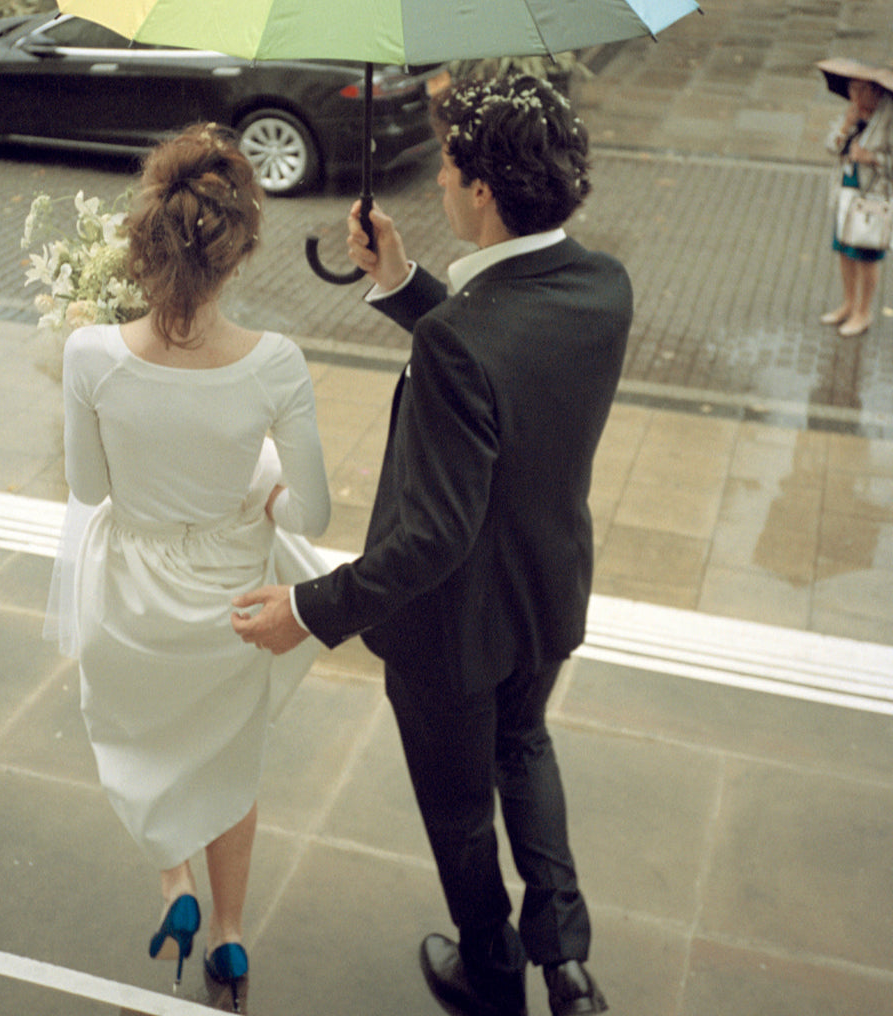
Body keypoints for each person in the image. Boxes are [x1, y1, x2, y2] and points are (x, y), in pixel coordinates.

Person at [232, 75, 632, 1016]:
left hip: (452, 633)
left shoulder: (460, 339)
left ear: (482, 192)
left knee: (459, 816)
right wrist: (402, 285)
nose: (441, 185)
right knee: (525, 749)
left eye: (450, 169)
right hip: (546, 594)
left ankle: (491, 976)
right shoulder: (601, 287)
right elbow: (510, 363)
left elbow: (434, 534)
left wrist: (308, 610)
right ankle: (567, 964)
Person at [48, 123, 330, 1006]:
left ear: (143, 241)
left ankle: (174, 890)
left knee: (142, 743)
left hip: (130, 602)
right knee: (224, 763)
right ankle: (230, 939)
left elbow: (90, 488)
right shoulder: (276, 364)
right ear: (238, 253)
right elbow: (313, 514)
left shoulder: (89, 354)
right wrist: (265, 480)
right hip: (230, 606)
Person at [819, 64, 893, 338]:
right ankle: (848, 304)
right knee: (844, 251)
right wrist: (846, 124)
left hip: (873, 200)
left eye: (860, 89)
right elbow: (831, 146)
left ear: (875, 91)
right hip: (846, 194)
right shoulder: (851, 113)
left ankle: (864, 311)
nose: (854, 94)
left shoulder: (888, 119)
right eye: (851, 88)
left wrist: (872, 158)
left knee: (866, 256)